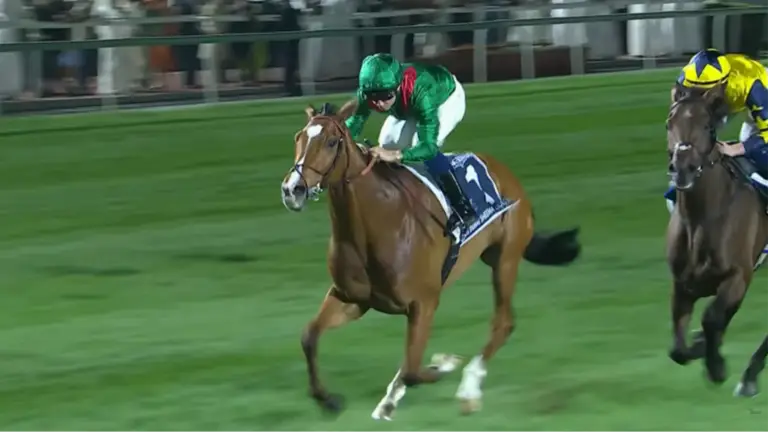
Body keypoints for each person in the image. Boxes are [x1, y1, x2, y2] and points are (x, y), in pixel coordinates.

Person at [344, 53, 482, 232]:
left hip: (445, 100)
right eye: (372, 96)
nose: (378, 103)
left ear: (397, 86)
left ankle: (463, 208)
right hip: (407, 107)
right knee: (386, 142)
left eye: (385, 95)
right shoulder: (369, 90)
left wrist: (396, 155)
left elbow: (428, 147)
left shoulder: (422, 93)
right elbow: (354, 124)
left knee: (419, 147)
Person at [665, 49, 768, 208]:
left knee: (757, 150)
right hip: (729, 98)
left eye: (703, 93)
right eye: (692, 90)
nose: (696, 96)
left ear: (721, 86)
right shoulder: (688, 79)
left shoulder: (752, 86)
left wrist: (736, 149)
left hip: (758, 95)